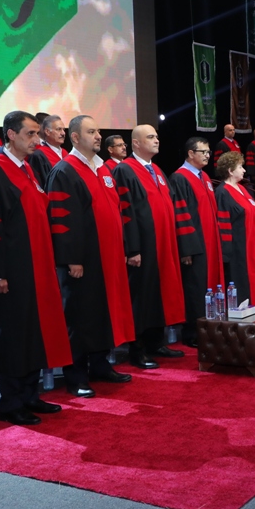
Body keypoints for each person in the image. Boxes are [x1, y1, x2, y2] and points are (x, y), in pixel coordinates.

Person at [0, 111, 72, 426]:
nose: (36, 140)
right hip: (9, 271)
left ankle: (30, 394)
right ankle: (11, 402)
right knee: (13, 336)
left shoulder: (26, 168)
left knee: (32, 332)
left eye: (37, 134)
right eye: (30, 134)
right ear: (11, 134)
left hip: (34, 267)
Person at [47, 115, 135, 397]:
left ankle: (100, 365)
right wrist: (71, 259)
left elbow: (115, 210)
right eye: (91, 131)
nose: (98, 136)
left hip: (107, 256)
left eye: (98, 131)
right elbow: (62, 219)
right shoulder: (65, 170)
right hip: (82, 259)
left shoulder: (103, 169)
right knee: (79, 316)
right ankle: (75, 376)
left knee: (101, 312)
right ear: (75, 137)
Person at [112, 125, 185, 369]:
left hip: (163, 242)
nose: (156, 140)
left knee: (159, 292)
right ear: (135, 143)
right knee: (141, 296)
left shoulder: (157, 170)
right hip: (143, 245)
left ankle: (156, 342)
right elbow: (125, 211)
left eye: (156, 136)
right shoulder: (125, 170)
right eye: (150, 137)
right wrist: (132, 249)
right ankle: (138, 349)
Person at [168, 138, 224, 348]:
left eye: (209, 152)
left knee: (208, 285)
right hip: (195, 245)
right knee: (195, 287)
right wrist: (186, 249)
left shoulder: (205, 177)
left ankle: (209, 325)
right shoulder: (179, 178)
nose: (208, 155)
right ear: (191, 153)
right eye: (203, 152)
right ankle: (192, 331)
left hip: (210, 242)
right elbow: (181, 215)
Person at [214, 151, 255, 309]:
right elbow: (222, 223)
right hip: (237, 248)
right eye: (240, 167)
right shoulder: (222, 192)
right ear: (230, 170)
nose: (244, 170)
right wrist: (226, 253)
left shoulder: (242, 188)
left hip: (251, 244)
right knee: (241, 280)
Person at [28, 115, 67, 184]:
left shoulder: (65, 153)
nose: (63, 133)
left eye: (63, 129)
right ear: (47, 132)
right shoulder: (38, 155)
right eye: (59, 129)